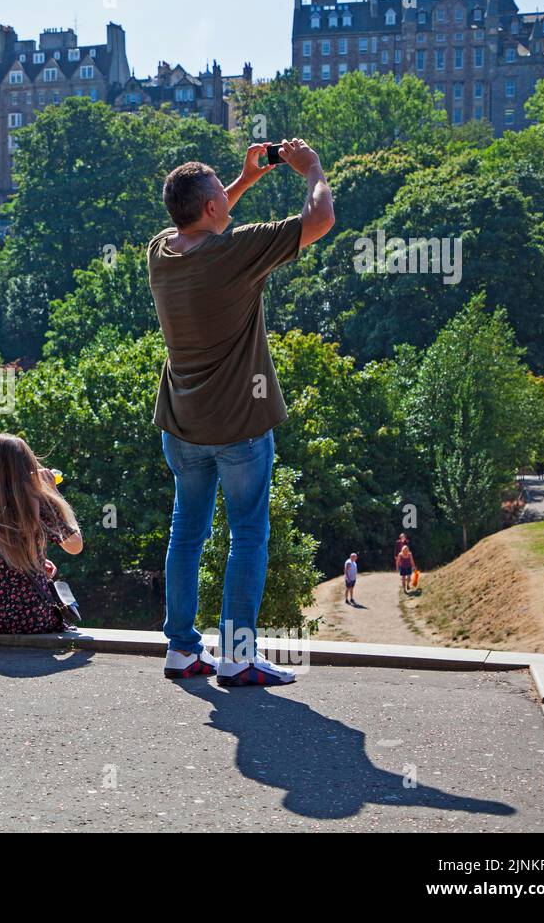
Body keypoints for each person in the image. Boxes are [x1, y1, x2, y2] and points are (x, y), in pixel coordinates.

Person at [150, 139, 334, 685]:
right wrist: (311, 169)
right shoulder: (235, 252)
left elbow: (199, 220)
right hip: (239, 426)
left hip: (182, 424)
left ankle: (182, 650)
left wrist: (246, 179)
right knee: (247, 533)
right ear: (211, 210)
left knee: (188, 530)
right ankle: (236, 655)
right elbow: (319, 218)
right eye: (221, 201)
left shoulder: (162, 249)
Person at [0, 434, 83, 634]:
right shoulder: (40, 504)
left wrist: (29, 564)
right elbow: (75, 546)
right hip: (35, 617)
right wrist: (54, 494)